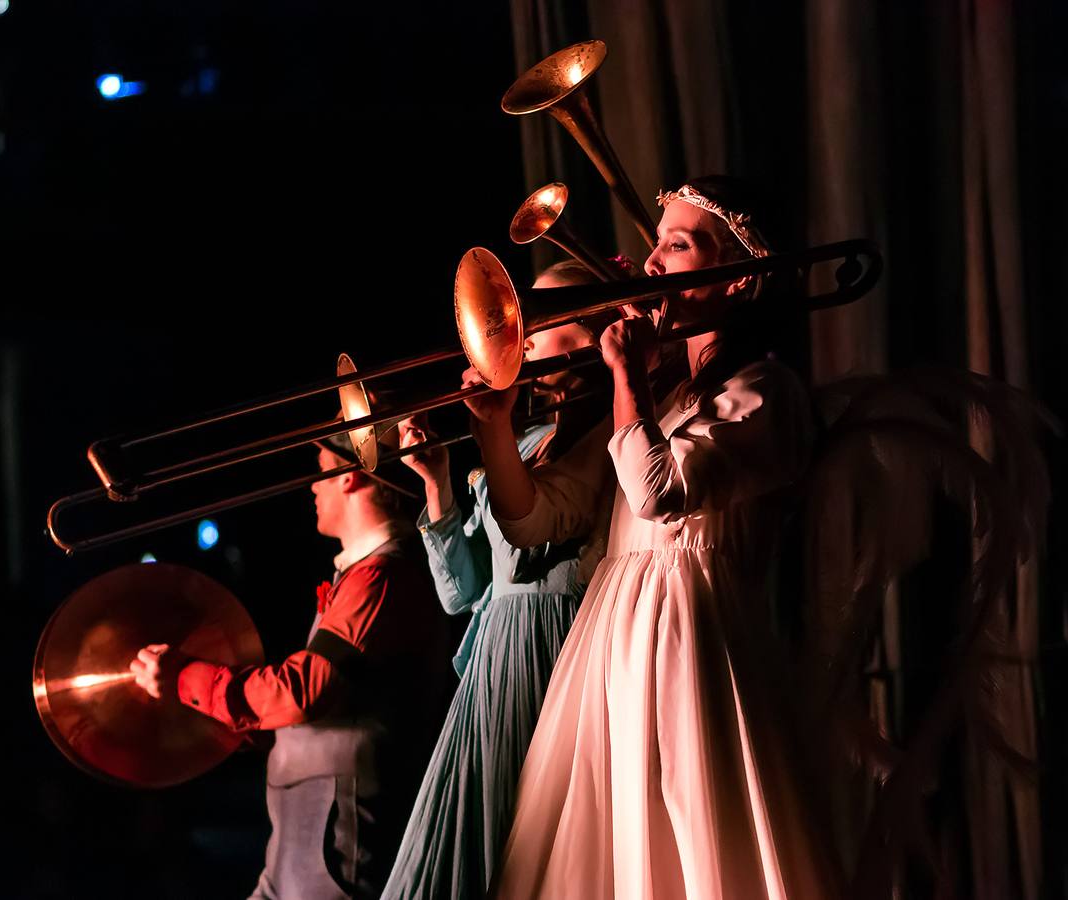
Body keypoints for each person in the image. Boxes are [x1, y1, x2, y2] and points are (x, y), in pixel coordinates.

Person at [479, 177, 839, 898]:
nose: (650, 265)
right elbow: (534, 517)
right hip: (616, 640)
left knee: (696, 847)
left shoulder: (767, 390)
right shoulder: (665, 392)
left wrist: (626, 376)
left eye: (676, 244)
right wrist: (492, 423)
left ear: (739, 281)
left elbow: (658, 491)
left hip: (691, 643)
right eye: (655, 245)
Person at [131, 425, 453, 900]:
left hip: (332, 854)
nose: (313, 486)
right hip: (301, 849)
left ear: (350, 478)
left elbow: (305, 691)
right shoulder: (362, 575)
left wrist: (186, 677)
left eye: (322, 472)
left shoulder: (383, 576)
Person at [381, 259, 614, 899]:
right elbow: (463, 595)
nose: (523, 331)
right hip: (493, 661)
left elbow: (538, 530)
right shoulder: (529, 436)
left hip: (554, 650)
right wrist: (436, 484)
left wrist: (493, 429)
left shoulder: (607, 436)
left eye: (543, 318)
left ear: (596, 336)